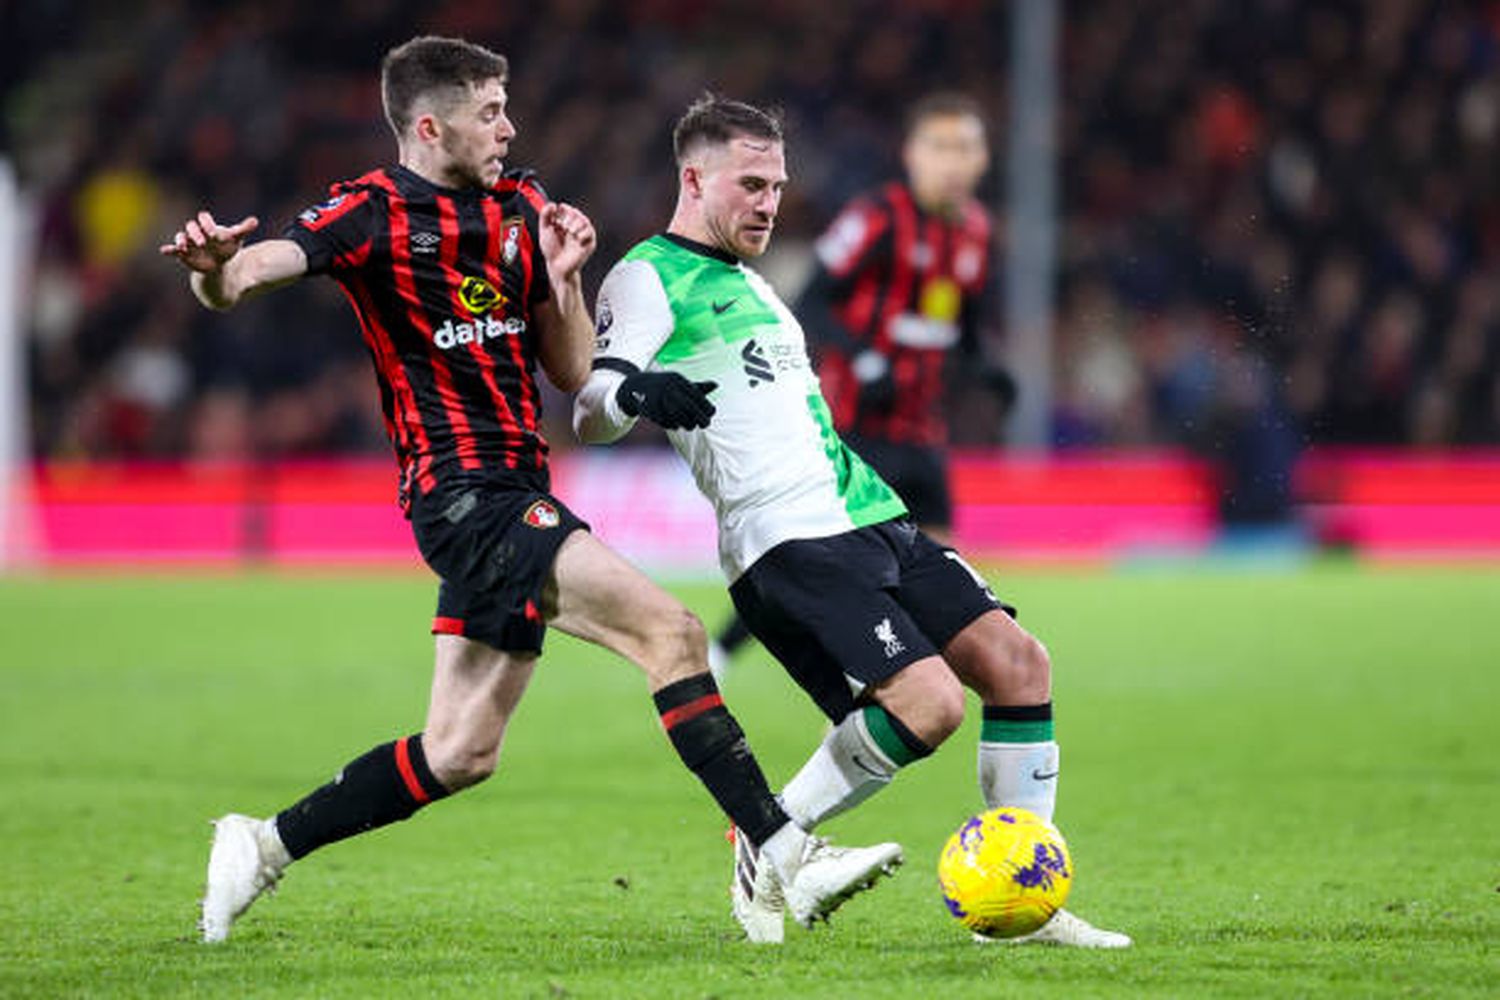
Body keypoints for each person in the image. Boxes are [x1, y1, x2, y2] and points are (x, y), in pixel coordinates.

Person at [161, 37, 899, 945]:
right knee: (668, 633)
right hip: (460, 492)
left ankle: (264, 843)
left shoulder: (525, 206)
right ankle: (783, 847)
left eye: (508, 107)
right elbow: (246, 273)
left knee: (461, 751)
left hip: (518, 481)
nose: (509, 127)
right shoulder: (372, 211)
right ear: (430, 126)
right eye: (489, 113)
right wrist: (212, 271)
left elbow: (571, 366)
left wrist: (566, 278)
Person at [574, 95, 1130, 948]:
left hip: (870, 510)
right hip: (786, 539)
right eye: (750, 184)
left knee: (1019, 665)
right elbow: (591, 405)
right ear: (693, 178)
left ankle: (1023, 906)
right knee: (930, 703)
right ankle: (769, 841)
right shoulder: (647, 276)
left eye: (778, 186)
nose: (769, 203)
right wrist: (636, 391)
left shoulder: (753, 281)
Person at [707, 91, 1012, 671]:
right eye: (939, 147)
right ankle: (721, 651)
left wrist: (987, 367)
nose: (953, 161)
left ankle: (902, 684)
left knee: (936, 566)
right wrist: (865, 358)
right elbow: (810, 301)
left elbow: (961, 320)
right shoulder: (877, 218)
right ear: (912, 155)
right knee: (823, 564)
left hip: (922, 430)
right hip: (853, 427)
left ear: (982, 160)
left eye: (966, 147)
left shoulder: (975, 230)